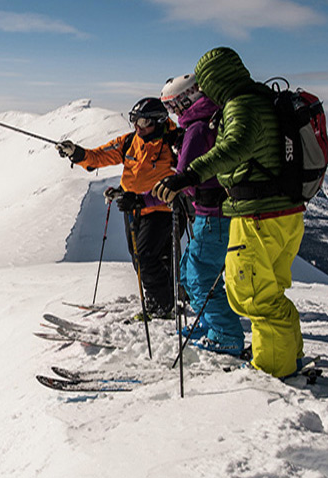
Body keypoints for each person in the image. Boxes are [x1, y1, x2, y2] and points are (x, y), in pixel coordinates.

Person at [153, 47, 305, 378]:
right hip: (284, 212)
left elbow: (234, 147)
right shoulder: (260, 100)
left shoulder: (242, 105)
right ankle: (288, 356)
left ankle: (273, 369)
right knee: (269, 290)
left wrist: (189, 175)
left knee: (251, 293)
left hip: (260, 215)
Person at [57, 98, 182, 320]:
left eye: (144, 122)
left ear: (159, 121)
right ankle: (167, 298)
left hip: (162, 210)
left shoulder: (174, 144)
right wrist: (76, 153)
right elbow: (100, 155)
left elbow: (184, 181)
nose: (138, 127)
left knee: (147, 256)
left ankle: (163, 305)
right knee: (140, 258)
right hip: (132, 209)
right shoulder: (130, 142)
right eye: (135, 120)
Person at [159, 74, 245, 356]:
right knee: (188, 271)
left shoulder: (197, 129)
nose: (174, 113)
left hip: (213, 215)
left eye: (173, 107)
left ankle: (225, 335)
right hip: (214, 213)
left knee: (201, 278)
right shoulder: (214, 120)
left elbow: (185, 174)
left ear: (186, 99)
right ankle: (209, 324)